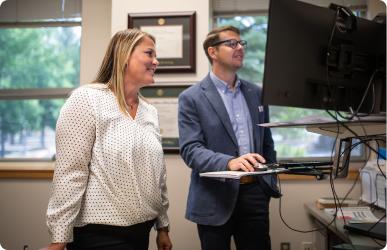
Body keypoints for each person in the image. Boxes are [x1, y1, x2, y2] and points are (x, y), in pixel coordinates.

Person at [40, 28, 172, 250]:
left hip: (141, 232)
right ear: (124, 56)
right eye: (149, 53)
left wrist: (163, 227)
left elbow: (158, 175)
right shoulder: (86, 99)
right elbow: (71, 173)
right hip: (99, 235)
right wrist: (59, 239)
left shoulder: (149, 111)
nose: (156, 61)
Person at [177, 26, 280, 250]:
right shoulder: (191, 98)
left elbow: (267, 143)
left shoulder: (258, 93)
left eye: (242, 43)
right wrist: (228, 162)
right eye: (232, 43)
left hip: (255, 194)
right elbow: (191, 150)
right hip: (214, 196)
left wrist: (267, 183)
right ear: (212, 52)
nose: (240, 47)